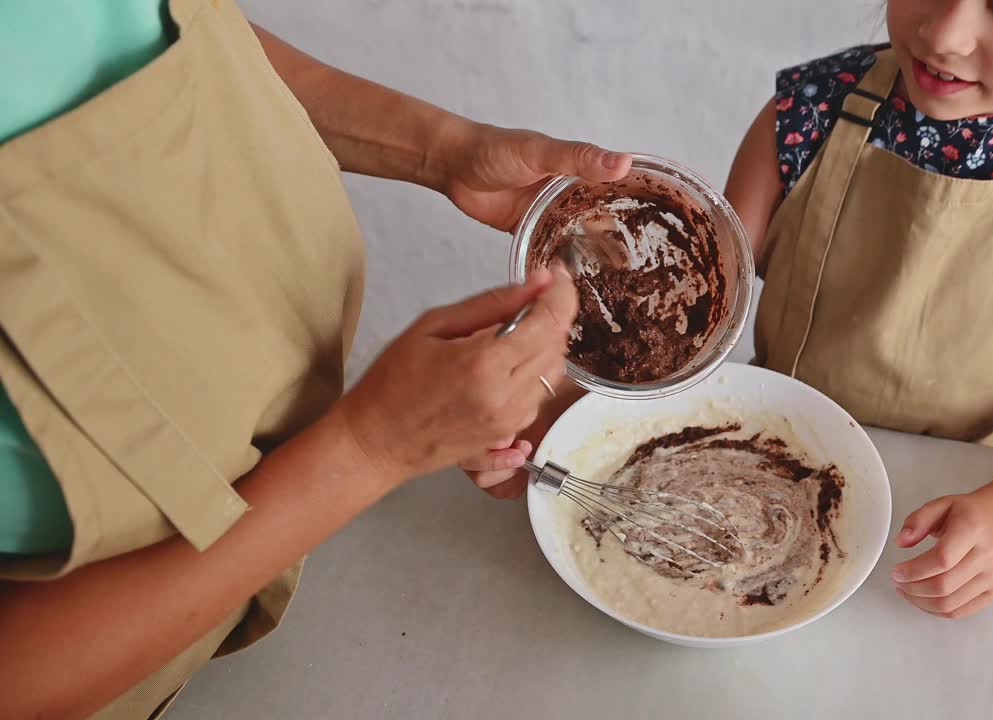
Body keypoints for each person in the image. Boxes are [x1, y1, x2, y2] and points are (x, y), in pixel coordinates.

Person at [0, 1, 631, 717]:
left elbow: (181, 43)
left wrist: (442, 149)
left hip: (291, 476)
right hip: (122, 636)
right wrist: (371, 449)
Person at [467, 0, 993, 622]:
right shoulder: (808, 110)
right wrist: (550, 398)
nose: (946, 32)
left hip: (948, 500)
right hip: (766, 462)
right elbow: (683, 336)